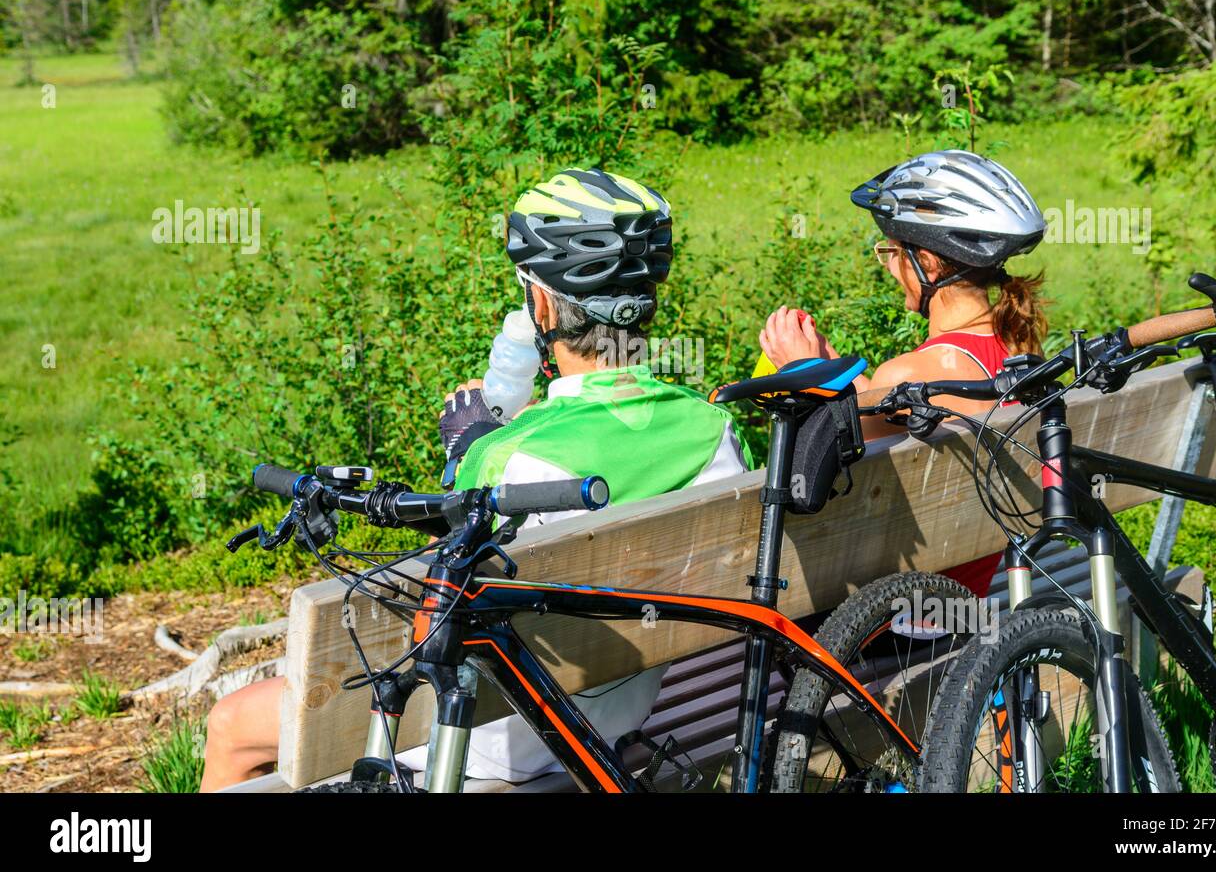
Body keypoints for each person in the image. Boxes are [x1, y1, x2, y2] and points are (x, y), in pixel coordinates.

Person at [200, 168, 750, 791]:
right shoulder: (710, 425)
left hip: (493, 738)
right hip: (621, 707)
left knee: (230, 723)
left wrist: (467, 451)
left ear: (541, 304)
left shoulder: (509, 456)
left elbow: (437, 606)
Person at [759, 149, 1048, 597]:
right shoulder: (1018, 344)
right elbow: (884, 411)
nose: (890, 266)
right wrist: (831, 370)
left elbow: (823, 485)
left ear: (929, 264)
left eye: (892, 252)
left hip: (900, 619)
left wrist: (801, 371)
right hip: (971, 590)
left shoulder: (911, 370)